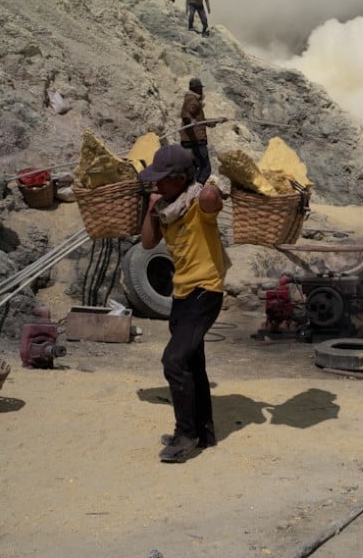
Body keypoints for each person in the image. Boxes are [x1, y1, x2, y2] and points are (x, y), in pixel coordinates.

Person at [139, 144, 228, 462]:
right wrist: (150, 207)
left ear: (180, 178)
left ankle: (185, 434)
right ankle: (205, 432)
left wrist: (212, 186)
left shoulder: (196, 204)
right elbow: (148, 242)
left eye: (163, 179)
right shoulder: (165, 208)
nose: (157, 185)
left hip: (206, 292)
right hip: (183, 295)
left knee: (173, 360)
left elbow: (209, 201)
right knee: (193, 364)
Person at [179, 77, 223, 184]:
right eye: (200, 88)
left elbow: (201, 121)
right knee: (205, 168)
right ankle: (197, 188)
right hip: (196, 141)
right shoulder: (192, 100)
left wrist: (217, 120)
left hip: (188, 141)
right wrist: (191, 120)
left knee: (192, 169)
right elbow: (185, 114)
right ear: (197, 89)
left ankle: (190, 190)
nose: (202, 90)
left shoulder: (190, 99)